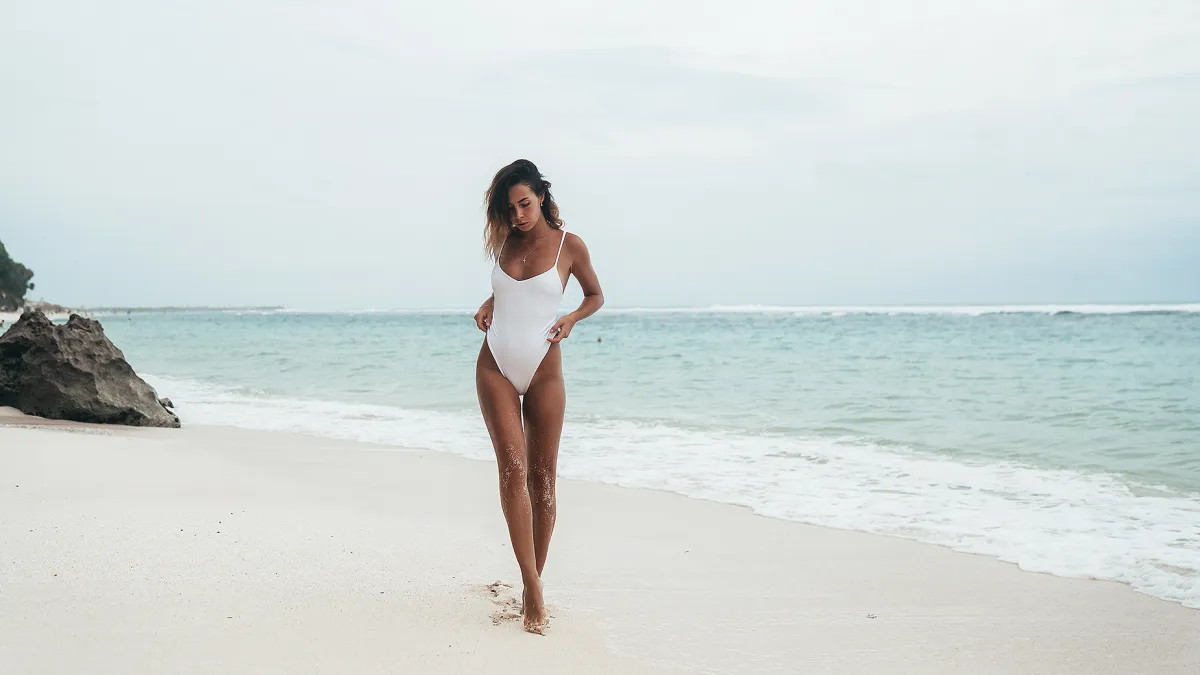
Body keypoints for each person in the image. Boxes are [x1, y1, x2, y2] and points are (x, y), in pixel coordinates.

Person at [473, 159, 604, 634]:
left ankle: (534, 579)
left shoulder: (571, 246)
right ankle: (531, 586)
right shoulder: (505, 240)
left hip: (545, 370)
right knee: (513, 469)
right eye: (510, 209)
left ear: (542, 197)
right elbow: (512, 290)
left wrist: (571, 319)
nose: (518, 215)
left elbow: (594, 295)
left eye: (525, 204)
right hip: (495, 365)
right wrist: (490, 302)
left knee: (543, 479)